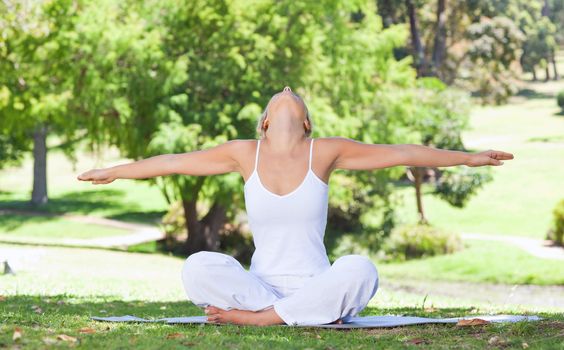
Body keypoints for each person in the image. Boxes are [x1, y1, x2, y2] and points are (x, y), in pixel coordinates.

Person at [77, 86, 514, 326]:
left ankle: (263, 321)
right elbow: (173, 163)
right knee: (196, 267)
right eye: (278, 95)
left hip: (317, 285)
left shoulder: (323, 151)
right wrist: (114, 170)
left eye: (294, 94)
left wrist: (469, 158)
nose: (286, 90)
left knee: (362, 270)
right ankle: (279, 314)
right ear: (265, 122)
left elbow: (402, 152)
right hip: (259, 287)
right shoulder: (243, 153)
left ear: (305, 122)